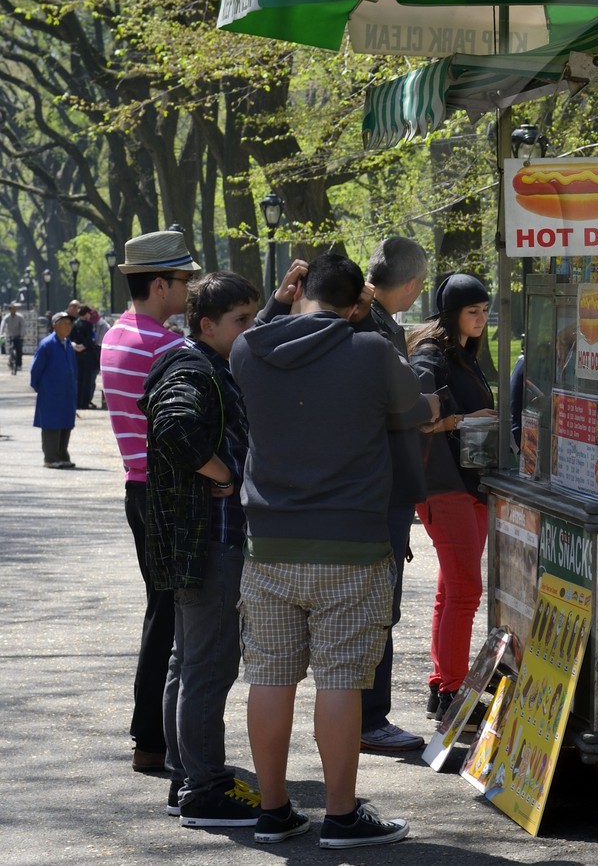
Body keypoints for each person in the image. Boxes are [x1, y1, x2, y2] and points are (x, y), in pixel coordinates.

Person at [232, 253, 434, 847]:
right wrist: (367, 321)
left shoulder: (250, 350)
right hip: (352, 541)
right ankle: (342, 818)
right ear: (356, 305)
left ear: (298, 294)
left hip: (268, 544)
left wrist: (276, 302)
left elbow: (258, 334)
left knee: (269, 678)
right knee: (340, 680)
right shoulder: (371, 350)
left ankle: (274, 811)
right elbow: (414, 411)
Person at [139, 272, 261, 827]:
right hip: (209, 539)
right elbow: (174, 427)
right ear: (208, 325)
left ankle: (187, 777)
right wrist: (227, 475)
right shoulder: (196, 368)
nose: (250, 330)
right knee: (207, 666)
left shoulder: (195, 360)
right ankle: (204, 789)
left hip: (196, 541)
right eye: (241, 321)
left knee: (188, 663)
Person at [101, 229, 201, 771]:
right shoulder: (165, 347)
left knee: (161, 610)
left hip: (137, 489)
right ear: (160, 284)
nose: (191, 289)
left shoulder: (117, 334)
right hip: (169, 493)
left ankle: (151, 736)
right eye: (185, 280)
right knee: (173, 617)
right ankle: (154, 738)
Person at [406, 273, 495, 721]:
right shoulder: (430, 355)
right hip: (443, 484)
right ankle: (455, 692)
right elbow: (417, 420)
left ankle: (442, 685)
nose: (481, 318)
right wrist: (465, 419)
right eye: (472, 311)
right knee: (464, 590)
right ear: (451, 313)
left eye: (484, 310)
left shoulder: (465, 354)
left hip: (467, 483)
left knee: (452, 589)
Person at [354, 238, 430, 753]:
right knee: (379, 606)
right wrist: (431, 402)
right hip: (382, 487)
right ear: (412, 285)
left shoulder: (369, 322)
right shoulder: (377, 329)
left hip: (370, 485)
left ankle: (363, 715)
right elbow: (403, 405)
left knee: (373, 605)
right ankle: (368, 718)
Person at [30, 311, 77, 468]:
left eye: (69, 324)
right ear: (54, 325)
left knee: (66, 424)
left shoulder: (68, 344)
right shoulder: (47, 344)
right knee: (52, 425)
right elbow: (35, 370)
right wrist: (42, 388)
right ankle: (50, 458)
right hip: (50, 392)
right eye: (63, 323)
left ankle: (62, 455)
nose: (67, 327)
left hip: (67, 393)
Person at [69, 298, 100, 409]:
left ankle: (77, 401)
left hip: (76, 355)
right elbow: (91, 339)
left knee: (78, 379)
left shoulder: (74, 324)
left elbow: (71, 338)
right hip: (87, 355)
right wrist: (84, 346)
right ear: (86, 313)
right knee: (87, 380)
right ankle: (84, 402)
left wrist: (75, 346)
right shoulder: (89, 325)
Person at [5, 300, 26, 375]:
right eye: (12, 309)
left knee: (19, 350)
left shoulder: (20, 317)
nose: (13, 310)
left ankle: (19, 365)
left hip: (18, 336)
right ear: (9, 310)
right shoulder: (7, 317)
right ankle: (10, 361)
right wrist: (1, 334)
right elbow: (3, 325)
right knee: (10, 349)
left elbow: (23, 326)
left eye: (15, 309)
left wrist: (22, 334)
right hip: (10, 335)